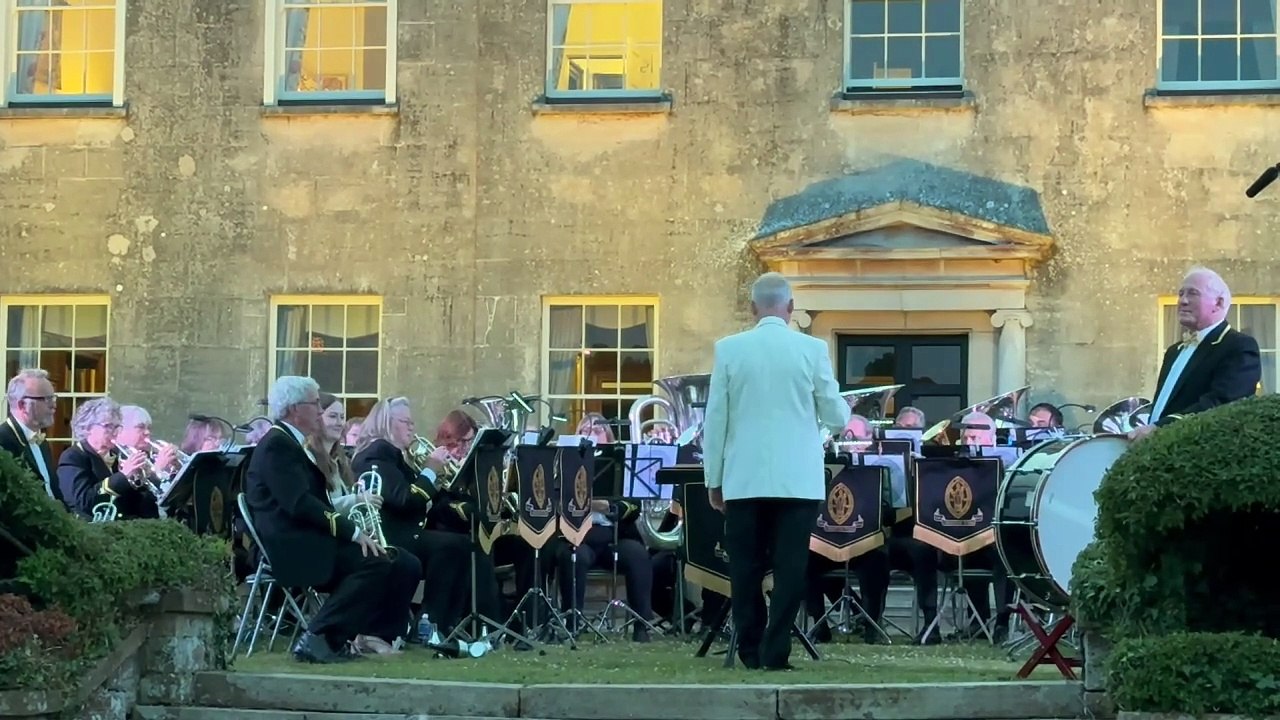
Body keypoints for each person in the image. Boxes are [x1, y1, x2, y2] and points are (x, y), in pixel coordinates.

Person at [702, 272, 850, 670]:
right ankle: (776, 651)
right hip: (797, 479)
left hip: (744, 477)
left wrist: (713, 479)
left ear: (752, 308)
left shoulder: (729, 349)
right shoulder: (812, 349)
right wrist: (831, 418)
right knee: (790, 568)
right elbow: (835, 414)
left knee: (744, 568)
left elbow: (715, 420)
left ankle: (750, 650)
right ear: (790, 308)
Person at [244, 376, 420, 664]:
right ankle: (318, 637)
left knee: (387, 558)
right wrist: (350, 531)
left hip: (305, 537)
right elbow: (299, 504)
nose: (318, 409)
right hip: (292, 545)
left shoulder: (289, 442)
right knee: (374, 561)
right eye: (314, 403)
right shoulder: (278, 445)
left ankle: (340, 639)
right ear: (294, 409)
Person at [309, 392, 419, 655]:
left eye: (341, 417)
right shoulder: (311, 458)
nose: (338, 422)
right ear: (317, 419)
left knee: (406, 561)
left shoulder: (339, 461)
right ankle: (342, 634)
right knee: (382, 561)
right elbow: (320, 507)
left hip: (347, 535)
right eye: (332, 416)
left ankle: (376, 635)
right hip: (324, 539)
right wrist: (357, 499)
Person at [1131, 267, 1261, 441]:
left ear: (1219, 303)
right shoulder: (1174, 351)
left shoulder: (1237, 346)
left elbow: (1222, 405)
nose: (1183, 301)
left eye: (1193, 293)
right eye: (1181, 293)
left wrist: (1159, 428)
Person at [57, 397, 157, 521]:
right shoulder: (74, 456)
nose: (115, 432)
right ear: (88, 428)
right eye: (108, 426)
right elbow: (83, 502)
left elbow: (133, 505)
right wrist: (123, 476)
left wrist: (140, 481)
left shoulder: (117, 455)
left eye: (117, 427)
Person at [0, 368, 59, 502]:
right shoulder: (2, 441)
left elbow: (53, 493)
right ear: (22, 405)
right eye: (47, 399)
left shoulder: (41, 442)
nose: (54, 405)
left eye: (54, 398)